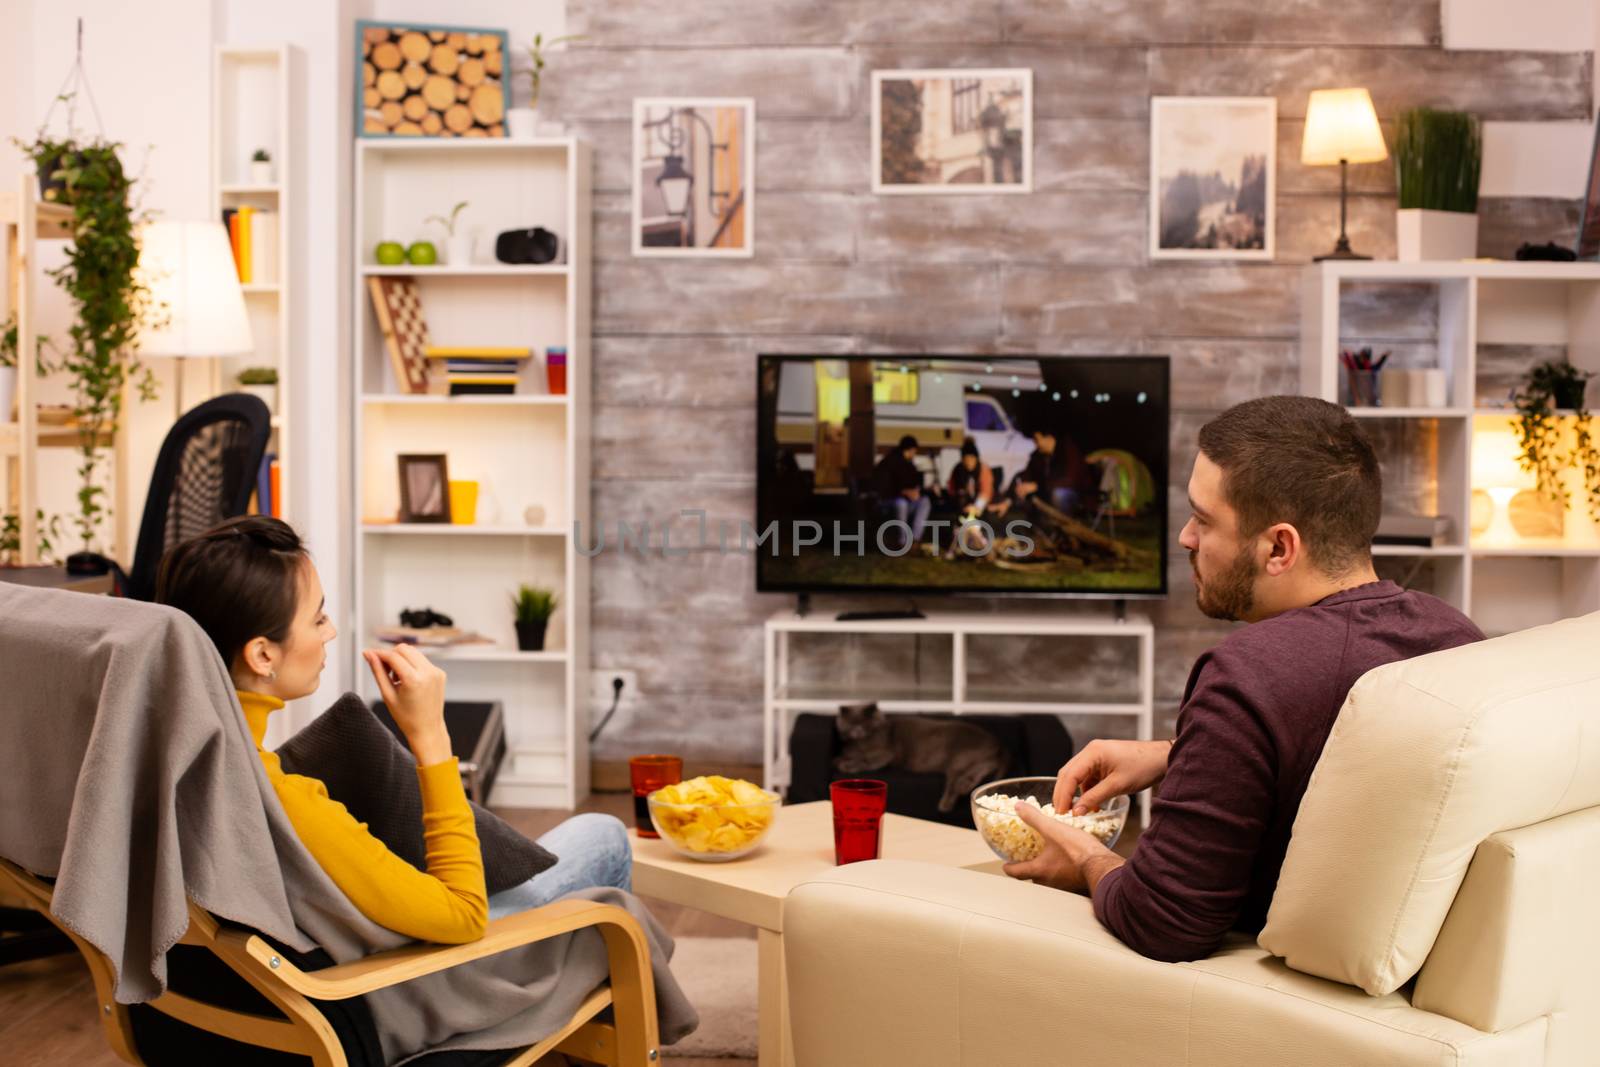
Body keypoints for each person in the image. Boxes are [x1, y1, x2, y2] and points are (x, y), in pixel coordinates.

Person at [1001, 396, 1484, 962]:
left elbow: (1163, 922)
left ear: (1279, 547)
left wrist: (1087, 859)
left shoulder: (1248, 674)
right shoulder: (1457, 637)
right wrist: (1176, 754)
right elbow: (1345, 753)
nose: (1185, 537)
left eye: (1203, 520)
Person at [155, 515, 630, 944]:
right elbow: (463, 917)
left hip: (249, 1003)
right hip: (391, 989)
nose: (332, 631)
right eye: (318, 617)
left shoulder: (162, 761)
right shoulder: (285, 802)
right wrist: (429, 737)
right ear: (262, 655)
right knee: (602, 835)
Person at [872, 434, 931, 551]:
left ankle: (915, 539)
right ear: (910, 450)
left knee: (924, 502)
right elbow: (883, 488)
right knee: (901, 503)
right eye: (914, 451)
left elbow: (914, 484)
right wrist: (903, 492)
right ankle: (903, 542)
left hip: (907, 501)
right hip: (888, 502)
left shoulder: (909, 465)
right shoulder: (888, 463)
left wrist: (917, 492)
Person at [1011, 429, 1085, 514]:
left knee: (1059, 494)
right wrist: (1021, 485)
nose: (1035, 444)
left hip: (1078, 495)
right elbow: (1026, 474)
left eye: (1037, 439)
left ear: (1049, 437)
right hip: (1047, 492)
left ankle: (1060, 523)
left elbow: (1069, 480)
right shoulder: (1038, 456)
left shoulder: (1068, 450)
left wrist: (1037, 486)